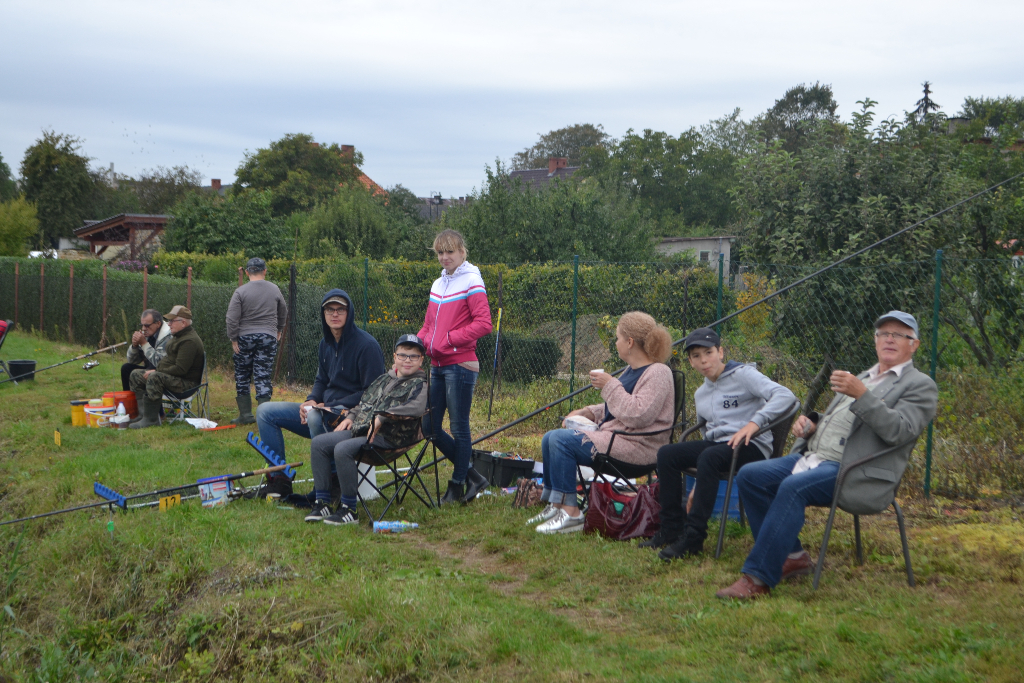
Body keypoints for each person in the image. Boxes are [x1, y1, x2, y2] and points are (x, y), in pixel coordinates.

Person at [716, 311, 938, 600]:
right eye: (884, 333)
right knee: (750, 476)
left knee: (792, 488)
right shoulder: (862, 377)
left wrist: (863, 396)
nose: (890, 339)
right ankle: (793, 556)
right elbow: (839, 422)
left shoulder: (920, 385)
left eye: (900, 334)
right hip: (815, 458)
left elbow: (900, 431)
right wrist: (811, 426)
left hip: (855, 470)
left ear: (915, 345)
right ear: (875, 340)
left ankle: (757, 578)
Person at [644, 327, 796, 559]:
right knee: (667, 454)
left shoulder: (744, 375)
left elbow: (786, 396)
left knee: (710, 456)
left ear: (721, 352)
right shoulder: (701, 394)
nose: (704, 360)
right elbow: (709, 438)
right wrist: (699, 483)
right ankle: (671, 529)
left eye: (709, 352)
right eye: (696, 356)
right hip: (719, 449)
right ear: (691, 362)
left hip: (751, 446)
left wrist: (754, 423)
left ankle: (694, 538)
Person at [527, 312, 675, 534]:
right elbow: (617, 409)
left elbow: (638, 414)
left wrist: (610, 385)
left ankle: (571, 514)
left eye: (618, 338)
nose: (616, 343)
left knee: (560, 441)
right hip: (615, 438)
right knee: (551, 437)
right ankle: (556, 504)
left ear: (630, 342)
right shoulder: (632, 370)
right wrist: (589, 412)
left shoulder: (659, 373)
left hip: (637, 446)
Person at [254, 289, 385, 499]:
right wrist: (311, 400)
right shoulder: (325, 344)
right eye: (330, 309)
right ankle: (279, 481)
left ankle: (331, 484)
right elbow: (321, 380)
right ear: (323, 314)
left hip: (352, 417)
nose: (335, 314)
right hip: (324, 412)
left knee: (316, 414)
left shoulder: (367, 346)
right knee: (265, 411)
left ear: (349, 312)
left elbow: (374, 392)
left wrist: (327, 406)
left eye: (340, 309)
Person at [305, 335, 429, 525]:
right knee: (320, 443)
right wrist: (351, 417)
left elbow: (416, 408)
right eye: (403, 355)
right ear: (394, 357)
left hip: (390, 439)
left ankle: (349, 509)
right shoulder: (383, 379)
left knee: (343, 449)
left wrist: (382, 417)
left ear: (421, 359)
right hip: (363, 431)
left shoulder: (420, 384)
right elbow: (365, 402)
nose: (407, 360)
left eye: (413, 356)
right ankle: (323, 502)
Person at [417, 230, 493, 505]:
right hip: (437, 365)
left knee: (459, 428)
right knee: (430, 427)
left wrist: (449, 339)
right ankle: (473, 476)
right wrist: (415, 348)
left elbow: (484, 323)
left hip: (460, 364)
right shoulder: (438, 284)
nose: (445, 257)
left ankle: (458, 483)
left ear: (462, 253)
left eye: (450, 251)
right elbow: (428, 327)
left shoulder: (472, 280)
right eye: (440, 252)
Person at [225, 257, 287, 426]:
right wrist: (279, 329)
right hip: (268, 336)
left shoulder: (240, 292)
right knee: (263, 374)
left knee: (242, 374)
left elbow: (231, 318)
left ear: (247, 272)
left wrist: (234, 338)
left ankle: (245, 415)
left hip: (245, 337)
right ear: (265, 271)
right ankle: (264, 416)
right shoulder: (274, 289)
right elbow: (283, 311)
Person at [129, 305, 205, 429]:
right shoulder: (178, 337)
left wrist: (157, 371)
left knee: (155, 377)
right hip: (175, 378)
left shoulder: (189, 341)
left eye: (172, 321)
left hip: (186, 383)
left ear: (183, 323)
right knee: (136, 374)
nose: (168, 324)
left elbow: (180, 369)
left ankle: (151, 420)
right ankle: (143, 416)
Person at [121, 308, 171, 392]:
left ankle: (141, 402)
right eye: (142, 325)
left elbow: (159, 363)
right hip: (149, 368)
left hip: (162, 372)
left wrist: (144, 344)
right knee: (126, 368)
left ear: (158, 324)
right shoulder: (148, 334)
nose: (144, 328)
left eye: (147, 325)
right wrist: (134, 346)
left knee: (135, 373)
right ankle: (129, 401)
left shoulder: (167, 336)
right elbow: (132, 361)